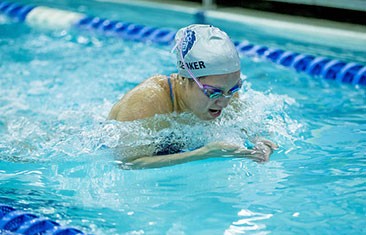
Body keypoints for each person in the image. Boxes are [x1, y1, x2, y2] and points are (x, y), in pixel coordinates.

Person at [108, 24, 277, 169]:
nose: (225, 102)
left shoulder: (226, 92)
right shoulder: (147, 101)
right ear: (183, 79)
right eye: (213, 92)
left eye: (233, 89)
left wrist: (259, 140)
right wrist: (203, 154)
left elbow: (247, 126)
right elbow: (127, 163)